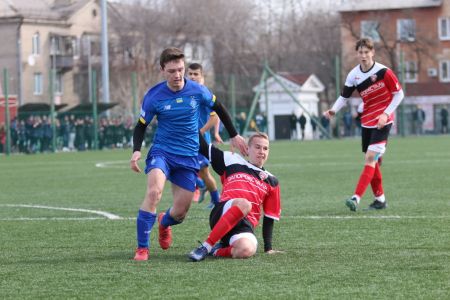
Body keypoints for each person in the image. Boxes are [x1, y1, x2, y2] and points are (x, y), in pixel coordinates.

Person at [130, 47, 247, 261]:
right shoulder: (154, 96)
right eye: (172, 71)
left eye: (180, 70)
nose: (177, 75)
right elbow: (141, 125)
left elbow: (219, 107)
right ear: (162, 70)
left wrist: (234, 135)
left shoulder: (197, 91)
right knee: (154, 192)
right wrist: (136, 150)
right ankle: (142, 248)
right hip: (162, 152)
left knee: (180, 213)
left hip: (188, 155)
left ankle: (164, 222)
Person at [323, 38, 404, 211]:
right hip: (367, 122)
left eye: (367, 52)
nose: (364, 55)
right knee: (374, 162)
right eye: (360, 52)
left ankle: (356, 198)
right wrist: (333, 110)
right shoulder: (354, 75)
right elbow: (344, 96)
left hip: (383, 122)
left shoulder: (384, 72)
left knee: (370, 158)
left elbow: (399, 94)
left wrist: (385, 113)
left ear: (372, 53)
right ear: (357, 54)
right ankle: (380, 200)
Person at [188, 132, 282, 262]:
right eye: (257, 147)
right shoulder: (231, 159)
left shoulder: (272, 181)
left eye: (265, 148)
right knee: (244, 204)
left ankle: (216, 250)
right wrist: (188, 118)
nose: (261, 151)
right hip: (223, 212)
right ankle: (206, 247)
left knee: (247, 249)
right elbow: (203, 147)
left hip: (245, 224)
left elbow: (269, 217)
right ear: (247, 149)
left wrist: (268, 247)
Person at [187, 62, 222, 207]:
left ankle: (216, 200)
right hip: (186, 139)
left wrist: (203, 132)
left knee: (204, 173)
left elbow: (215, 116)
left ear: (201, 76)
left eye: (196, 74)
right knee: (175, 167)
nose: (193, 77)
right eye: (190, 74)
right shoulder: (185, 92)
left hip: (200, 141)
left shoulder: (203, 93)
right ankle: (201, 186)